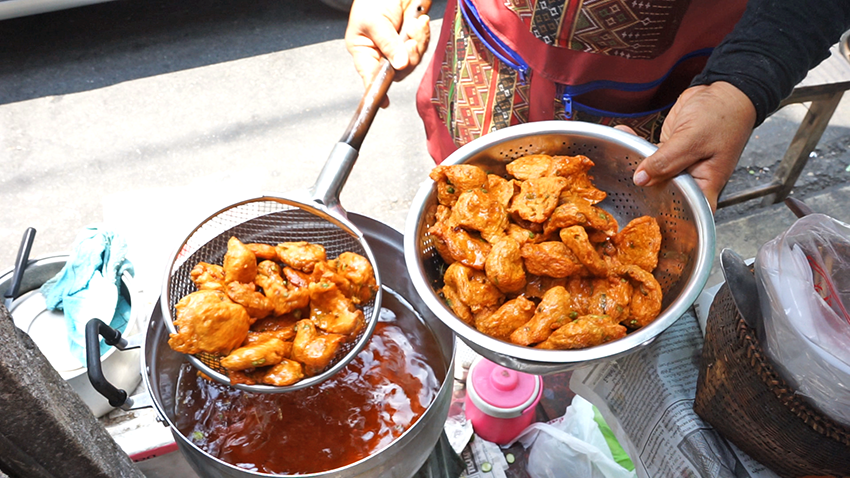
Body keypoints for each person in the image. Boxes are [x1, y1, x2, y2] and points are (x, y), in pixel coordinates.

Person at [345, 0, 850, 211]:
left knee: (626, 205)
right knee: (463, 194)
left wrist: (744, 81)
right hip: (491, 46)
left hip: (667, 70)